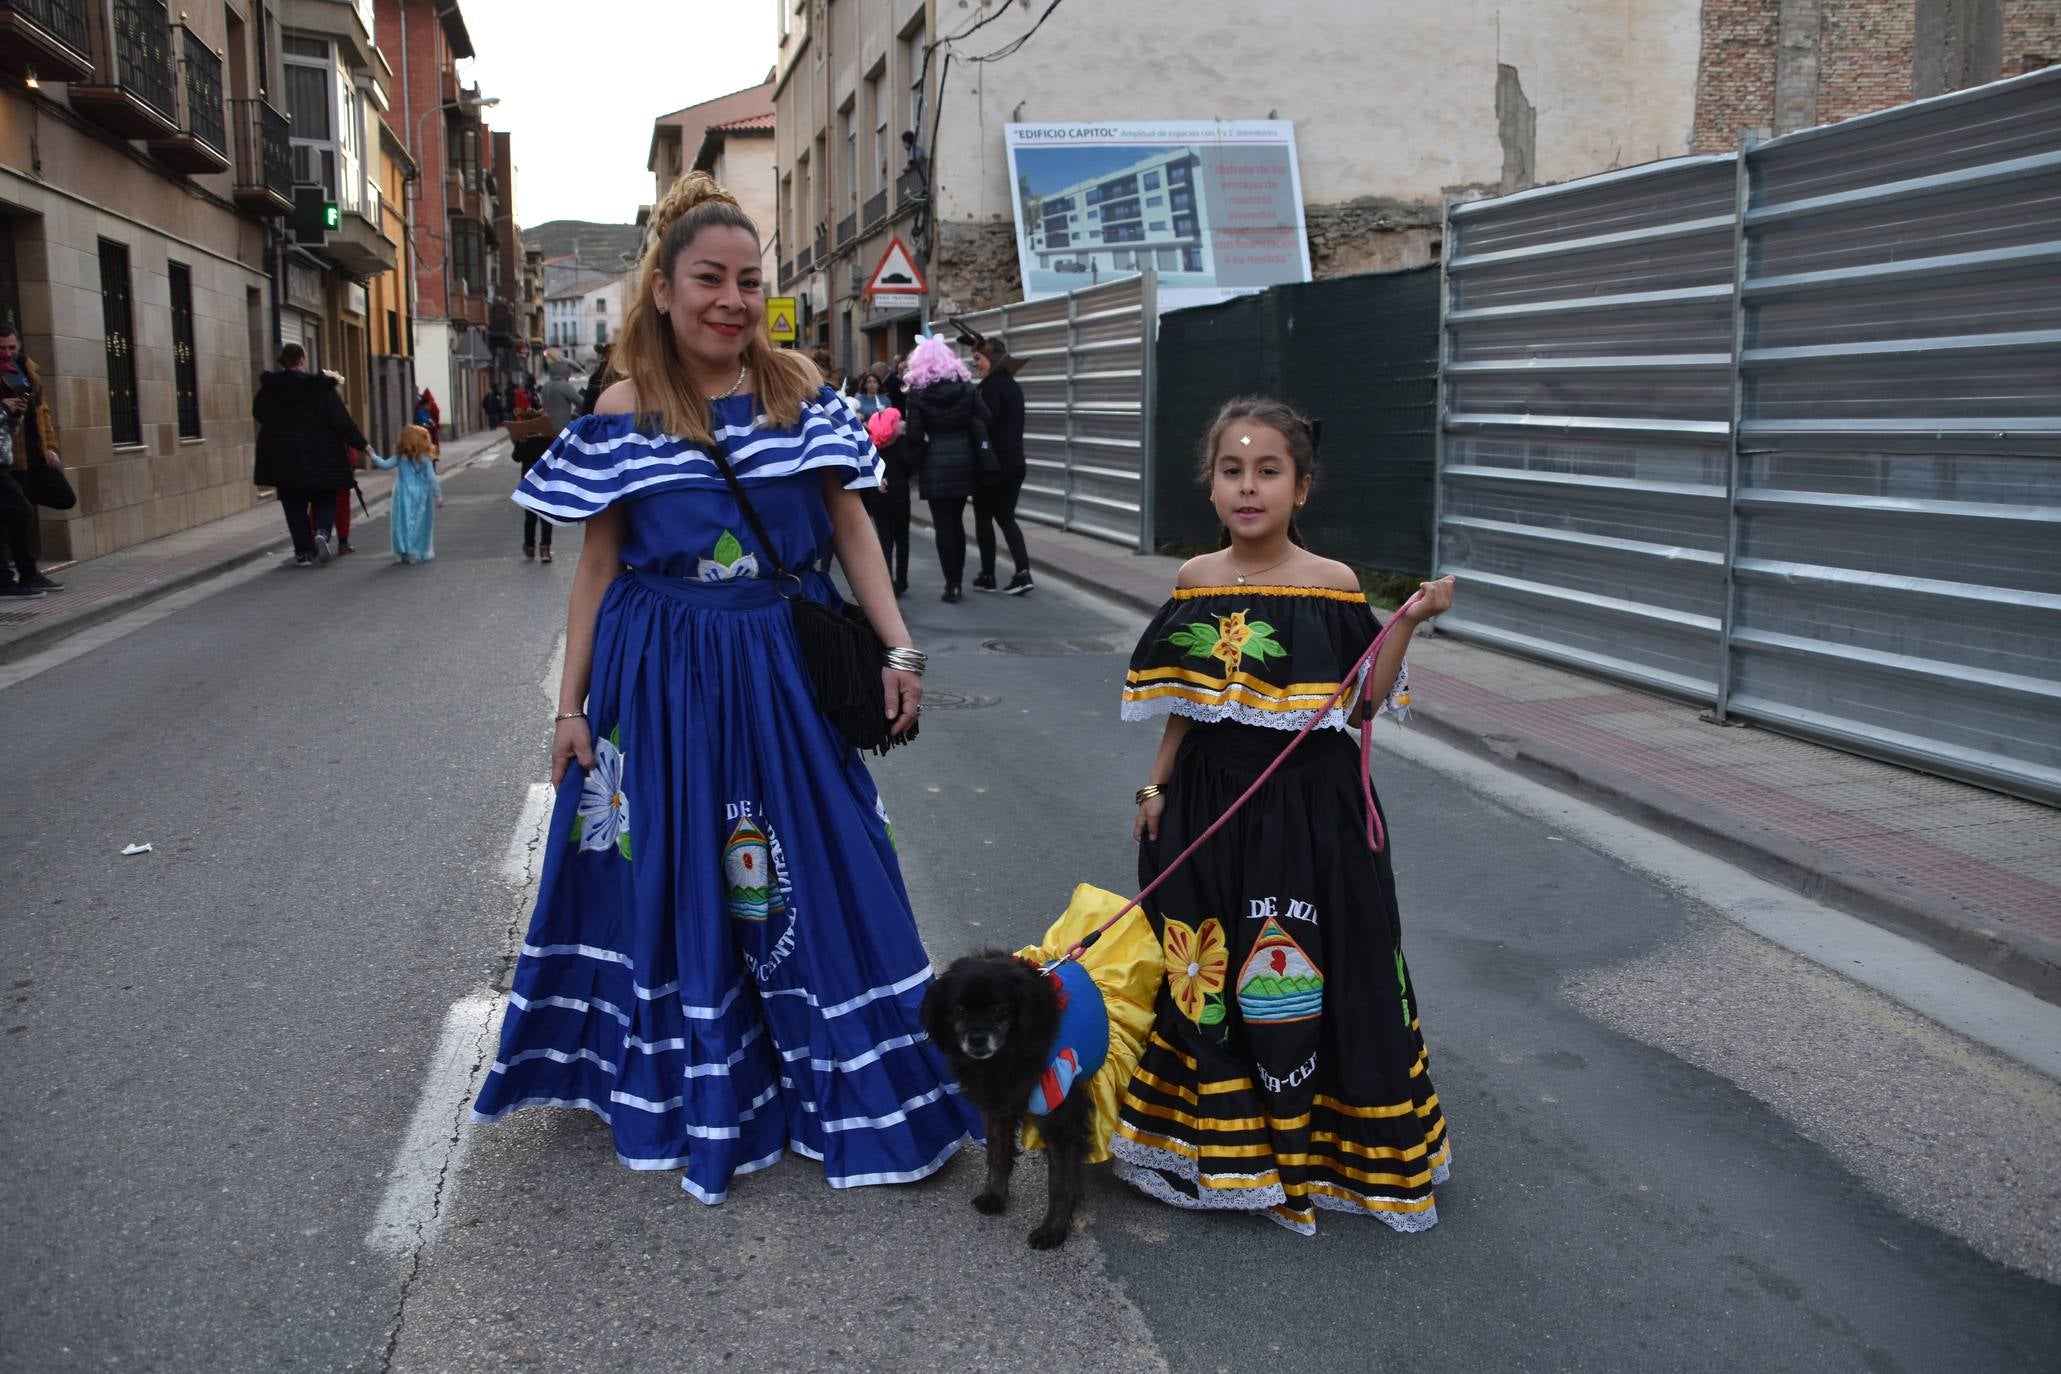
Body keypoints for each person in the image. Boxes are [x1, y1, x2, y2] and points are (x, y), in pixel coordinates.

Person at [473, 171, 978, 1203]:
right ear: (663, 287)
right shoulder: (623, 409)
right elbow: (598, 571)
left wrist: (900, 649)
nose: (732, 300)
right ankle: (704, 1077)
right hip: (655, 681)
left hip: (780, 673)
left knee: (825, 861)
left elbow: (850, 530)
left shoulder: (800, 389)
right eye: (710, 278)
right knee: (673, 877)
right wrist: (569, 711)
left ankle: (840, 1073)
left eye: (749, 281)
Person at [1112, 395, 1457, 1237]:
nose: (1247, 487)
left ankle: (1320, 1145)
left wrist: (1406, 621)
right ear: (1211, 484)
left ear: (1301, 488)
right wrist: (1154, 788)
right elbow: (1184, 704)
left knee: (1303, 967)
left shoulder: (1331, 584)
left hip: (1313, 812)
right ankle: (1225, 1149)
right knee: (1209, 965)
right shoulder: (1194, 580)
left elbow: (1364, 703)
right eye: (1231, 470)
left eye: (1268, 470)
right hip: (1206, 804)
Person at [254, 343, 369, 567]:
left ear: (283, 361)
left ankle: (303, 552)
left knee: (293, 505)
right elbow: (341, 422)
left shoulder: (270, 388)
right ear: (303, 360)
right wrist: (364, 445)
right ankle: (323, 533)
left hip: (284, 459)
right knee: (325, 498)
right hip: (321, 457)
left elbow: (259, 413)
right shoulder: (321, 388)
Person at [899, 335, 992, 603]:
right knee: (958, 522)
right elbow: (984, 416)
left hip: (934, 463)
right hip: (964, 460)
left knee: (943, 526)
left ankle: (950, 584)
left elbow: (915, 435)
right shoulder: (965, 387)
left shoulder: (918, 392)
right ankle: (958, 582)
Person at [0, 320, 64, 596]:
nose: (7, 352)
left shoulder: (23, 370)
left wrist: (49, 446)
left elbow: (39, 410)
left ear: (19, 344)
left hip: (25, 454)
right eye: (2, 348)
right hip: (7, 458)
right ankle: (12, 577)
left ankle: (28, 574)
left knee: (50, 501)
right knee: (16, 512)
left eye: (11, 347)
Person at [970, 338, 1033, 595]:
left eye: (978, 360)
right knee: (1006, 518)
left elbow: (987, 422)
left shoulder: (991, 388)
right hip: (1016, 461)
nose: (975, 366)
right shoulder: (1013, 386)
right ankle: (1022, 572)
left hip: (994, 466)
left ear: (992, 360)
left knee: (984, 518)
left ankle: (988, 575)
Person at [366, 423, 444, 563]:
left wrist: (373, 455)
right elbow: (432, 478)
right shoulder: (425, 459)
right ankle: (418, 549)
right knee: (420, 522)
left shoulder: (400, 457)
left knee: (403, 521)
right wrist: (438, 495)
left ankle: (404, 548)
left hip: (404, 494)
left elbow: (384, 465)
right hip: (421, 494)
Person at [539, 364, 583, 434]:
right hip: (561, 429)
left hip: (546, 427)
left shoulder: (545, 386)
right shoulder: (564, 385)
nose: (569, 375)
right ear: (563, 372)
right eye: (568, 372)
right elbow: (582, 403)